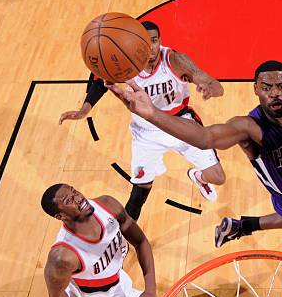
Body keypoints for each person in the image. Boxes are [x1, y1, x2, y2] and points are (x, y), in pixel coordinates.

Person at [108, 60, 282, 248]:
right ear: (255, 89)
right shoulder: (248, 127)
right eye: (266, 87)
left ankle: (240, 226)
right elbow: (206, 138)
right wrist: (152, 113)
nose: (274, 93)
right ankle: (243, 226)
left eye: (281, 86)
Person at [59, 21, 227, 223]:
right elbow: (101, 81)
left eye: (155, 41)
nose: (151, 48)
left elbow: (215, 86)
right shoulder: (125, 61)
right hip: (146, 131)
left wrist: (210, 88)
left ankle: (198, 177)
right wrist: (83, 110)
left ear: (160, 41)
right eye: (145, 43)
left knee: (219, 177)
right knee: (140, 192)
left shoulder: (175, 60)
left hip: (181, 123)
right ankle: (125, 236)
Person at [41, 183, 181, 297]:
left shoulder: (107, 205)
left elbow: (141, 242)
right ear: (60, 216)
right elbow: (55, 294)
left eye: (74, 191)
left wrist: (150, 289)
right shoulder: (63, 256)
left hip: (99, 276)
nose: (78, 198)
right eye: (69, 200)